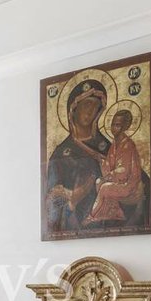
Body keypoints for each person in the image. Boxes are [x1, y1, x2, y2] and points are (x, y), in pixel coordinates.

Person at [44, 79, 109, 234]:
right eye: (86, 105)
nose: (90, 111)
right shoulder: (60, 153)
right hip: (73, 225)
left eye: (95, 106)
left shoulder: (108, 148)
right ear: (74, 109)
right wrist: (73, 197)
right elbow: (51, 206)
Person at [88, 106, 146, 223]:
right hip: (118, 182)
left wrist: (108, 176)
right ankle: (113, 212)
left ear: (125, 127)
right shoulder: (115, 143)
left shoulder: (127, 145)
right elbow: (109, 164)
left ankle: (92, 216)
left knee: (104, 187)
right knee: (98, 182)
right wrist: (101, 160)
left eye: (118, 125)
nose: (113, 129)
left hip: (128, 184)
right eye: (113, 124)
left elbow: (124, 170)